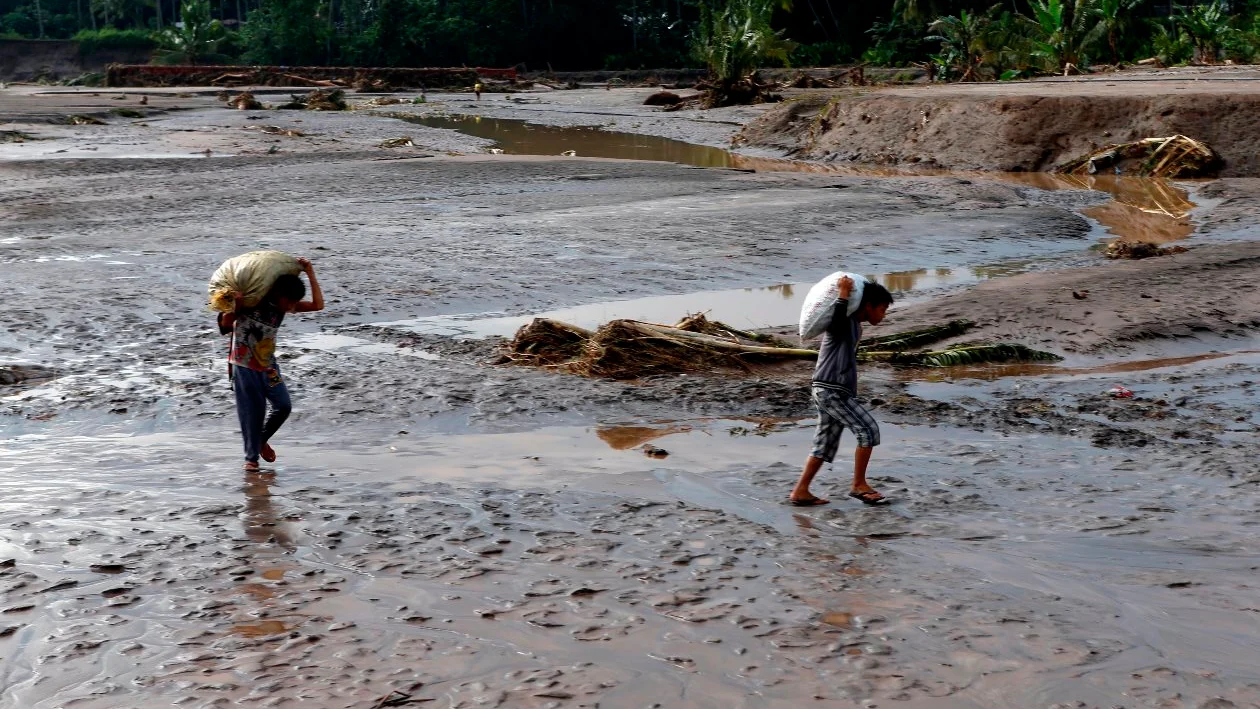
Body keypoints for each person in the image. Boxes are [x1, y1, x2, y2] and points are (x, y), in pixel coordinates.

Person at [790, 275, 894, 507]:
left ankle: (801, 491)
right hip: (831, 390)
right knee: (868, 429)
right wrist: (844, 293)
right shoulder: (844, 321)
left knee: (824, 443)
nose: (883, 315)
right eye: (883, 309)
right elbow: (836, 321)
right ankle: (858, 484)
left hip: (830, 389)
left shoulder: (854, 324)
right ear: (868, 306)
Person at [217, 258, 324, 471]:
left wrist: (310, 272)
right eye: (290, 302)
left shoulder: (283, 309)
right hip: (244, 365)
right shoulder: (251, 302)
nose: (292, 307)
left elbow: (317, 305)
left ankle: (259, 441)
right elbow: (225, 324)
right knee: (253, 413)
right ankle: (251, 459)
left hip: (268, 365)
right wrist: (236, 305)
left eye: (294, 303)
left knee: (283, 406)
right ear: (279, 295)